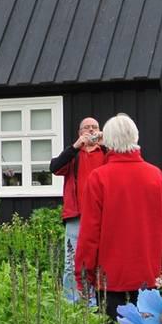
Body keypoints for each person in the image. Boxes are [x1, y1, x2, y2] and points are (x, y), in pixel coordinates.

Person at [74, 114, 162, 323]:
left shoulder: (99, 178)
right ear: (135, 137)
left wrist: (84, 277)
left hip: (110, 280)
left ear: (107, 141)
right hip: (149, 277)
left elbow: (90, 233)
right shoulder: (156, 176)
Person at [49, 116, 107, 301]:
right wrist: (75, 146)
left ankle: (96, 302)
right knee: (71, 262)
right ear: (80, 132)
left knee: (99, 260)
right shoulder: (73, 155)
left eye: (95, 127)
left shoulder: (106, 153)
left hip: (101, 216)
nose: (91, 130)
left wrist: (107, 144)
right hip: (77, 216)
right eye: (86, 128)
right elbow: (54, 167)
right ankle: (71, 304)